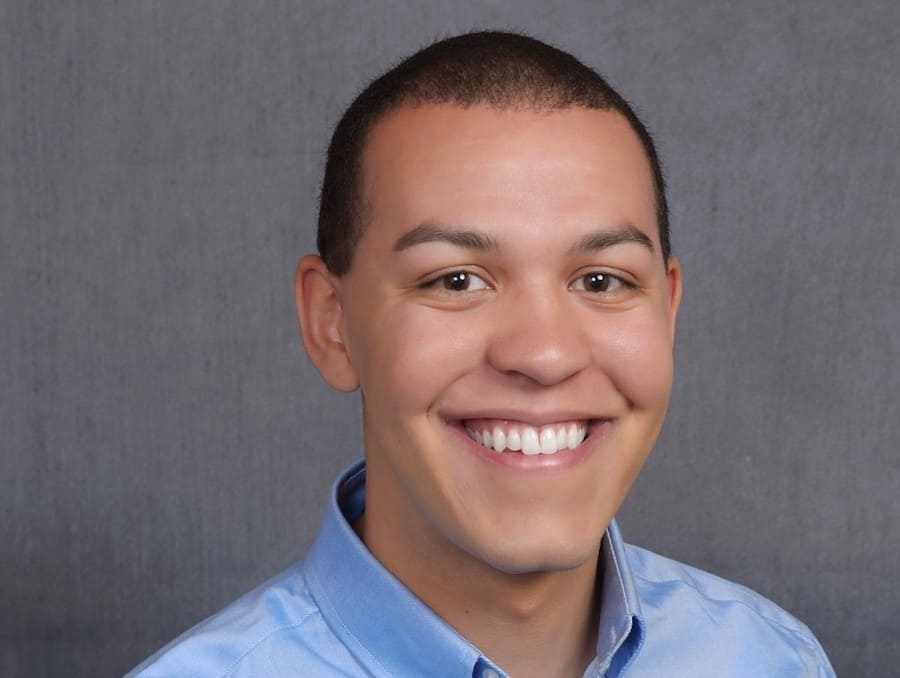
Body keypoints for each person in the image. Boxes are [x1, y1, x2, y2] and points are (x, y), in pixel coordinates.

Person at [129, 31, 835, 677]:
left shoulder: (772, 658)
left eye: (601, 281)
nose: (545, 354)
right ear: (331, 322)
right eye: (457, 280)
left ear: (668, 312)